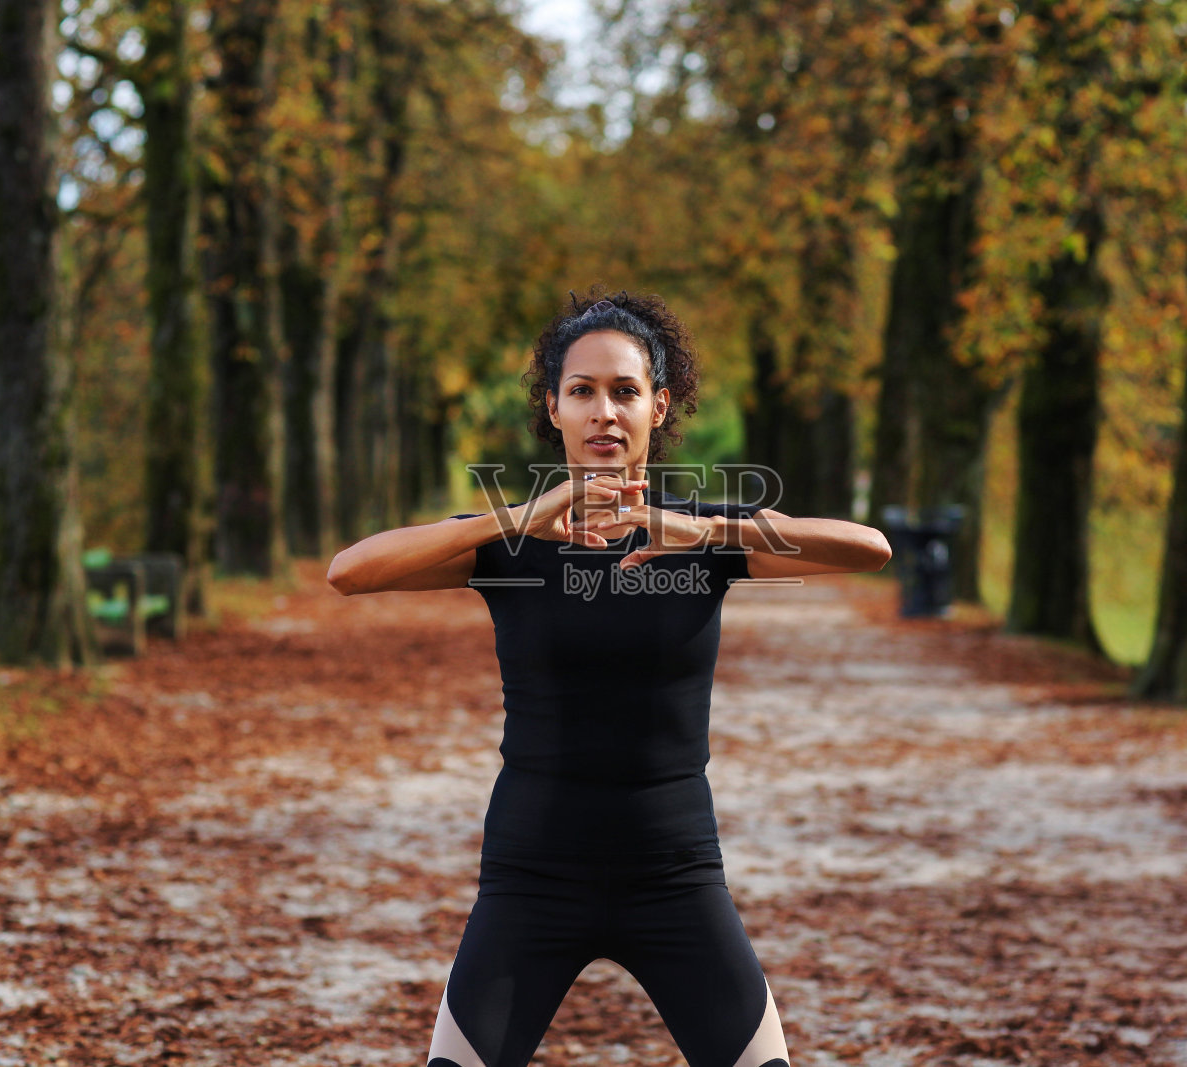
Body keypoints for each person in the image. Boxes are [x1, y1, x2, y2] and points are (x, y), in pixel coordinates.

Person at [326, 290, 891, 1067]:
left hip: (675, 875)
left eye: (624, 391)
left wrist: (711, 530)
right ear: (553, 408)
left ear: (659, 407)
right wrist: (513, 518)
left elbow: (870, 549)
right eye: (582, 391)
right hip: (530, 877)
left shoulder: (700, 536)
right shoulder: (511, 544)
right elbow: (348, 572)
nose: (604, 412)